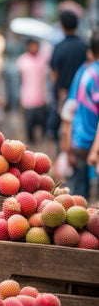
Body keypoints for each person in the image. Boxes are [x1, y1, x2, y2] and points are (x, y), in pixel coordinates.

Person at [65, 30, 99, 200]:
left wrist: (67, 140)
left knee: (80, 193)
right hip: (93, 142)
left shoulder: (85, 72)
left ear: (91, 51)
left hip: (81, 139)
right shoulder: (93, 73)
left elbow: (70, 108)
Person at [46, 10, 88, 141]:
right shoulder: (85, 46)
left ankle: (62, 154)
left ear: (62, 26)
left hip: (63, 95)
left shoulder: (59, 47)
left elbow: (54, 73)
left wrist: (56, 91)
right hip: (83, 95)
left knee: (61, 128)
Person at [16, 38, 51, 145]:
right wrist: (20, 99)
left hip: (42, 99)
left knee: (44, 128)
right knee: (30, 129)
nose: (34, 48)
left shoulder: (44, 59)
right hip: (28, 100)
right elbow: (19, 81)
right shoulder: (22, 61)